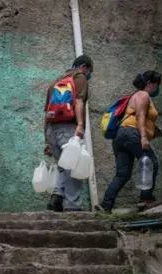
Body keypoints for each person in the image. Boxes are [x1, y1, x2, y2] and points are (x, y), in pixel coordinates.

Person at [96, 71, 162, 213]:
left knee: (123, 174)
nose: (158, 88)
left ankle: (106, 205)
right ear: (149, 84)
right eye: (157, 85)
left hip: (121, 136)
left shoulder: (135, 96)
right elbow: (140, 115)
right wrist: (144, 137)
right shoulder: (143, 95)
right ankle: (145, 198)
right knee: (152, 161)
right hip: (131, 133)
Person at [43, 55, 93, 212]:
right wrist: (80, 125)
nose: (89, 75)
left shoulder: (55, 82)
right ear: (84, 67)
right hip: (68, 128)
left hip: (52, 130)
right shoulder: (80, 78)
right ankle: (73, 207)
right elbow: (78, 102)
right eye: (90, 71)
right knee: (74, 167)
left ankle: (57, 197)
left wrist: (46, 140)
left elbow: (46, 113)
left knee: (64, 167)